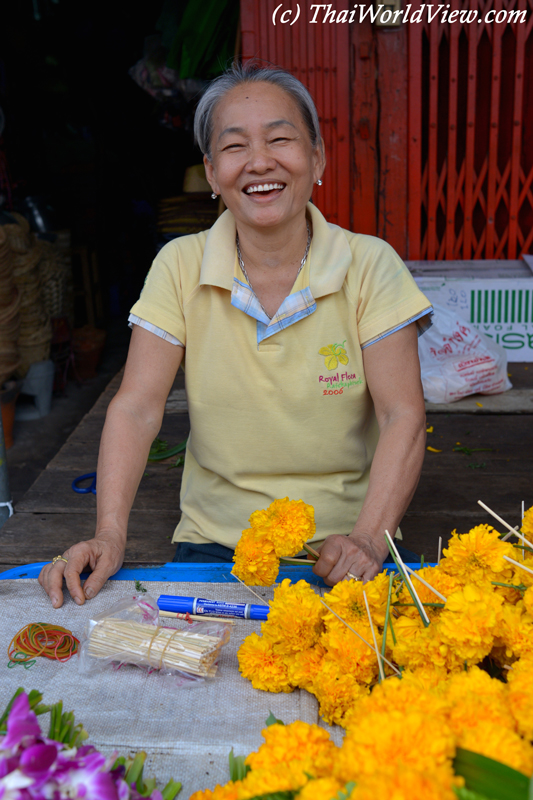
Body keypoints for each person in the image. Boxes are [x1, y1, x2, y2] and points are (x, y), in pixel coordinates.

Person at [39, 63, 432, 608]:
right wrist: (110, 533)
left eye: (280, 139)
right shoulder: (180, 264)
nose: (260, 162)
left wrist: (369, 536)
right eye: (234, 146)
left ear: (316, 158)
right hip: (215, 545)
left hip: (345, 547)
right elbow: (136, 408)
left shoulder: (370, 265)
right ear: (211, 172)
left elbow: (402, 415)